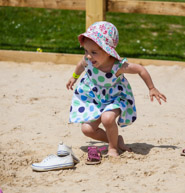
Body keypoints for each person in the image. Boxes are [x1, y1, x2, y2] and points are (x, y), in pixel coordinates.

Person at [66, 21, 166, 158]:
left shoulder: (118, 66)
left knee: (107, 119)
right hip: (96, 98)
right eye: (86, 51)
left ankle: (113, 148)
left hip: (115, 97)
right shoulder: (88, 61)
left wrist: (152, 88)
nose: (88, 56)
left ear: (108, 51)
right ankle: (116, 140)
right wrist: (74, 77)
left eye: (93, 52)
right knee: (87, 129)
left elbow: (140, 69)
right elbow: (80, 65)